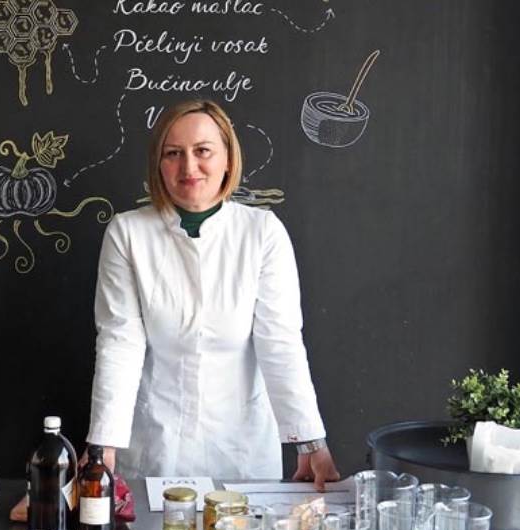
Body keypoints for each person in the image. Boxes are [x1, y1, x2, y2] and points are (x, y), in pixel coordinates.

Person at [85, 99, 340, 490]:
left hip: (241, 451)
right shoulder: (128, 233)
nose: (189, 167)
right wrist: (103, 445)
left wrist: (310, 442)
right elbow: (120, 342)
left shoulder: (262, 232)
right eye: (173, 154)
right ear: (158, 164)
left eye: (203, 151)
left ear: (228, 158)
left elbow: (280, 343)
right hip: (155, 446)